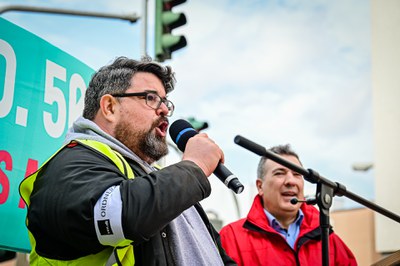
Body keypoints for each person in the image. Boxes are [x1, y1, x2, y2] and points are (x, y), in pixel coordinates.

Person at [19, 56, 236, 265]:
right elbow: (117, 215)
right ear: (110, 107)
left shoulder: (163, 182)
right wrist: (195, 166)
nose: (164, 110)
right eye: (151, 98)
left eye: (165, 103)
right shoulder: (69, 164)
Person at [219, 144, 357, 265]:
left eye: (297, 174)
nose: (291, 181)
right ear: (260, 187)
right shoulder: (230, 238)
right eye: (280, 173)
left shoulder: (327, 236)